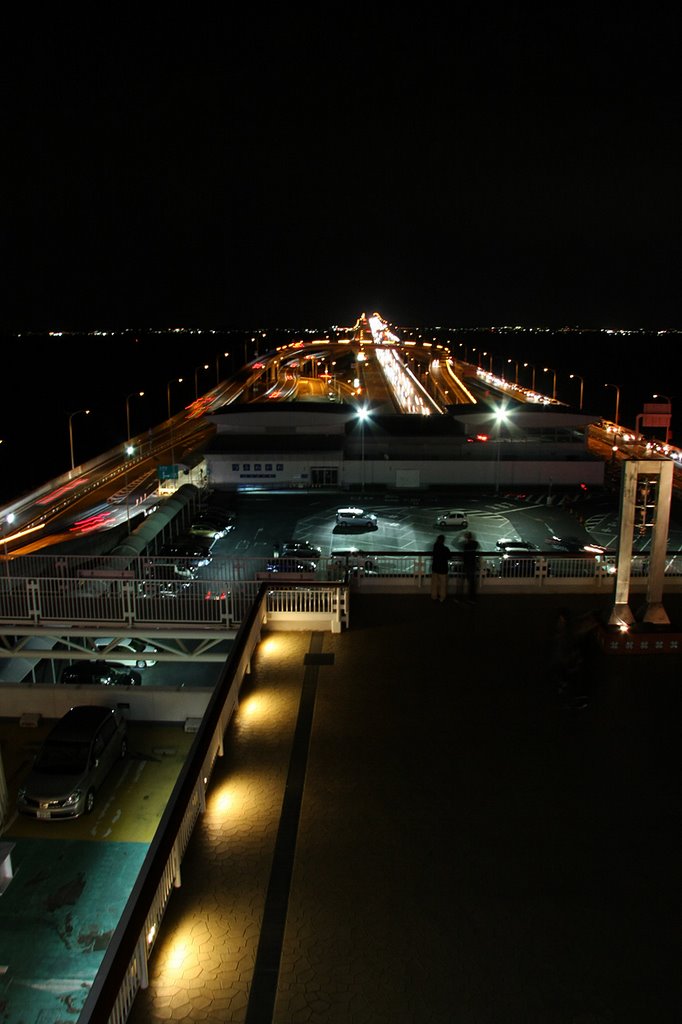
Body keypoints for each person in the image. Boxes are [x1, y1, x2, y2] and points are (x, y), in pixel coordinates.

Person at [430, 534, 451, 602]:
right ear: (443, 541)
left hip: (435, 568)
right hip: (443, 569)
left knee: (434, 583)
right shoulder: (445, 549)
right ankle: (442, 597)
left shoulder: (435, 547)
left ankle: (434, 596)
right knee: (443, 584)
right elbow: (449, 557)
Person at [461, 531, 480, 602]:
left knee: (468, 581)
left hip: (467, 564)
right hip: (472, 563)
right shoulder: (475, 543)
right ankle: (472, 598)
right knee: (472, 582)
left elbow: (465, 554)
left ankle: (469, 598)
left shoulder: (466, 545)